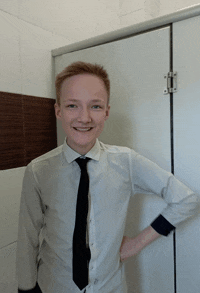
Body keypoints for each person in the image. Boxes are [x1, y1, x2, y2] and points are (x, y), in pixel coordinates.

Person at [16, 61, 199, 293]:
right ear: (58, 111)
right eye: (73, 106)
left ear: (107, 112)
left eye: (95, 106)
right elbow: (27, 239)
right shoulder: (38, 170)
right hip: (53, 286)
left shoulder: (126, 162)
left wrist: (135, 245)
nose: (84, 118)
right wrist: (26, 289)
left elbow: (186, 199)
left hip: (110, 287)